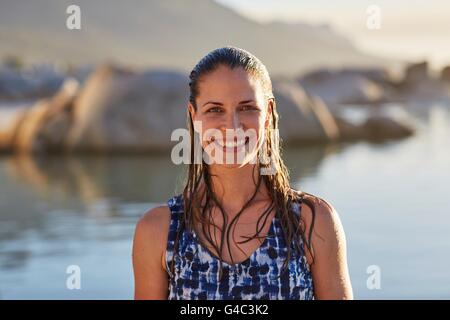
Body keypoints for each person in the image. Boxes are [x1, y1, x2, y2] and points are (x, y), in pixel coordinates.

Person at [132, 46, 353, 300]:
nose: (233, 126)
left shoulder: (312, 223)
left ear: (268, 113)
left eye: (247, 107)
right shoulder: (159, 230)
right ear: (194, 116)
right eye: (215, 110)